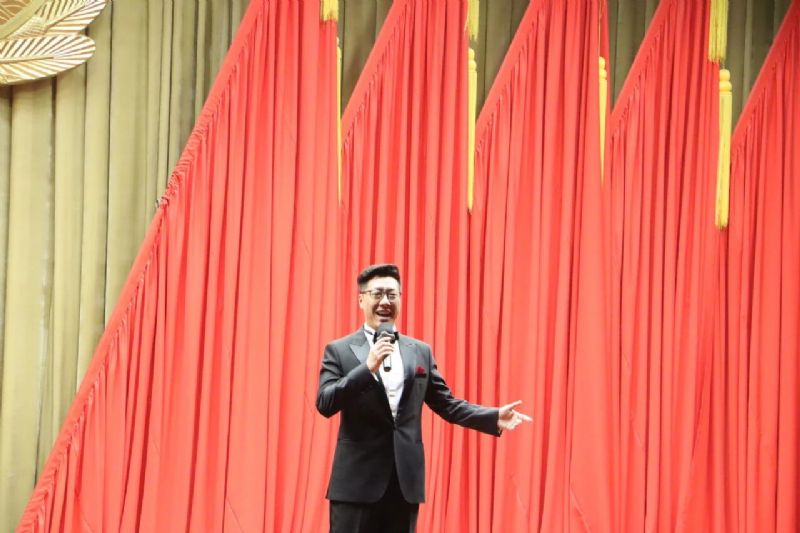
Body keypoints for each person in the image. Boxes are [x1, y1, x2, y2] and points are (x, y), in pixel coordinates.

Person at [316, 263, 532, 532]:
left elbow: (446, 404)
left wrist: (493, 417)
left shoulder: (419, 352)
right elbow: (325, 403)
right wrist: (367, 368)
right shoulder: (339, 350)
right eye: (377, 294)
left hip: (404, 483)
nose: (385, 301)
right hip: (355, 484)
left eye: (392, 294)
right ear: (362, 300)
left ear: (400, 299)